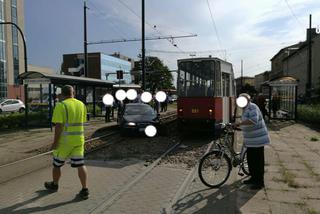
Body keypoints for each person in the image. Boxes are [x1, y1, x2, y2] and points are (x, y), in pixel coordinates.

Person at [44, 85, 89, 200]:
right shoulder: (81, 104)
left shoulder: (61, 105)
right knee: (80, 164)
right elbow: (82, 122)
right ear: (73, 92)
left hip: (64, 142)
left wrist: (55, 142)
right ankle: (85, 189)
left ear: (62, 94)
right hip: (79, 140)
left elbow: (58, 126)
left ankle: (54, 184)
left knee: (57, 164)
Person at [233, 93, 270, 190]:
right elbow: (247, 124)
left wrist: (239, 123)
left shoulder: (252, 107)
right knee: (251, 161)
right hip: (251, 140)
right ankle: (253, 178)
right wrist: (240, 126)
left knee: (258, 161)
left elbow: (253, 120)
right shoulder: (245, 109)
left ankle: (259, 182)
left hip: (258, 140)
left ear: (248, 100)